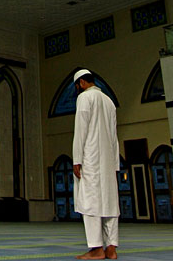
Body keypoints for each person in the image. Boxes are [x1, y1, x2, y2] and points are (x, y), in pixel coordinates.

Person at [71, 68, 120, 260]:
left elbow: (80, 130)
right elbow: (114, 136)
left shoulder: (84, 98)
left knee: (90, 203)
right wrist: (115, 163)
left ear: (81, 83)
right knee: (109, 202)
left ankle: (96, 248)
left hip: (90, 158)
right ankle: (112, 248)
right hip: (108, 161)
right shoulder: (109, 101)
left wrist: (77, 159)